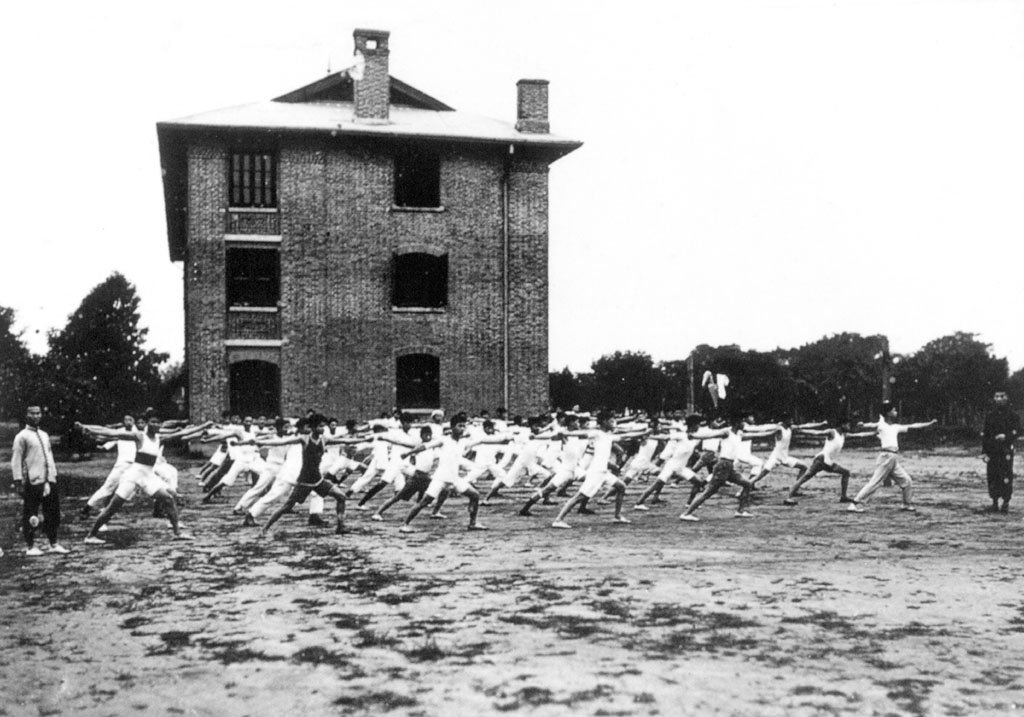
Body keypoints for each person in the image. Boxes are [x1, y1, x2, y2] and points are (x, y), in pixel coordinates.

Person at [78, 412, 211, 544]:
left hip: (148, 475)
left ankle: (177, 532)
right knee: (113, 507)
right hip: (133, 474)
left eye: (158, 422)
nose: (156, 424)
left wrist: (203, 426)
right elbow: (111, 433)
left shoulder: (160, 438)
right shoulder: (140, 436)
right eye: (153, 422)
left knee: (168, 499)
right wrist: (87, 428)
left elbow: (182, 434)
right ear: (148, 424)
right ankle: (91, 535)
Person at [846, 402, 936, 513]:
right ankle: (854, 503)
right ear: (888, 413)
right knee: (875, 483)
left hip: (893, 458)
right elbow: (870, 425)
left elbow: (913, 426)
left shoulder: (895, 427)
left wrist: (929, 423)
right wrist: (862, 425)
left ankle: (906, 504)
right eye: (894, 410)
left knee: (906, 481)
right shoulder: (881, 425)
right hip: (886, 457)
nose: (896, 412)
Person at [11, 405, 67, 556]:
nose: (36, 416)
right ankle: (31, 546)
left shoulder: (44, 434)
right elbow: (16, 460)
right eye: (32, 413)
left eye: (38, 413)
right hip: (33, 480)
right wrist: (18, 481)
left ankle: (53, 543)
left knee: (53, 512)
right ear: (26, 415)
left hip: (49, 479)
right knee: (31, 513)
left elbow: (49, 457)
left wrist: (53, 476)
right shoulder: (22, 436)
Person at [981, 390, 1020, 513]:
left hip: (1006, 450)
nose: (999, 399)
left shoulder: (1013, 415)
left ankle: (1006, 502)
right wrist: (984, 452)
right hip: (992, 450)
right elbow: (986, 435)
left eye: (1002, 396)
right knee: (992, 475)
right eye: (997, 396)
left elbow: (1018, 430)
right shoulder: (990, 416)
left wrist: (1007, 436)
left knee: (1006, 475)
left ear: (1007, 397)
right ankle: (994, 502)